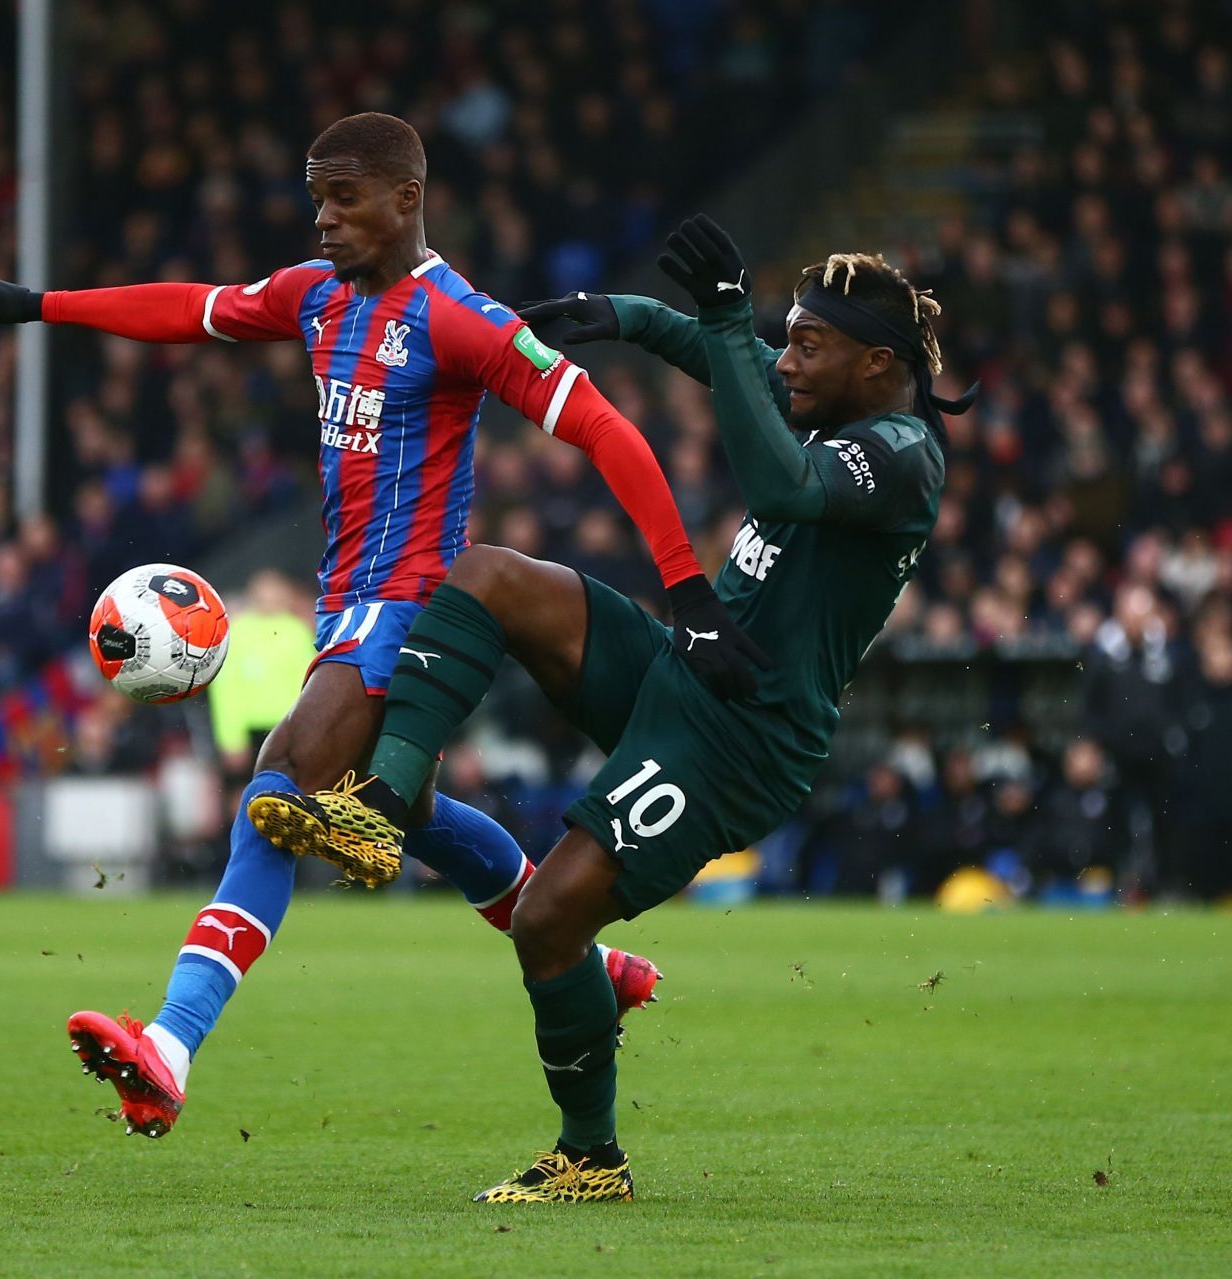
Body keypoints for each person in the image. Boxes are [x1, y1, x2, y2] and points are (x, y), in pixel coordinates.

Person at [0, 114, 762, 1137]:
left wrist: (687, 590)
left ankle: (170, 1042)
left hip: (420, 612)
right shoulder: (315, 297)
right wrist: (39, 306)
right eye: (316, 197)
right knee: (409, 817)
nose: (323, 218)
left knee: (280, 785)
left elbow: (603, 424)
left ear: (407, 198)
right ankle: (597, 966)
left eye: (344, 198)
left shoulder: (461, 319)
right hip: (346, 605)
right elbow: (189, 310)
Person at [250, 215, 969, 1201]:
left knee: (548, 920)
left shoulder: (901, 452)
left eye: (810, 345)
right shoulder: (838, 399)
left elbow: (782, 479)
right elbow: (726, 359)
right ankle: (382, 807)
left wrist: (722, 320)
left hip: (743, 740)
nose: (787, 361)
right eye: (787, 338)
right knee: (491, 576)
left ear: (878, 362)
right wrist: (618, 315)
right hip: (690, 669)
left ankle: (591, 1158)